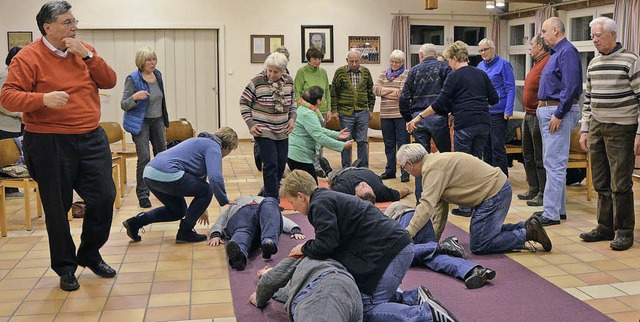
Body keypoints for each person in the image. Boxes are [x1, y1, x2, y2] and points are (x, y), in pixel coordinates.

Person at [0, 0, 117, 292]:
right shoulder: (27, 57)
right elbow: (8, 97)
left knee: (103, 198)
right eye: (67, 22)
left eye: (74, 21)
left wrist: (89, 56)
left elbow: (110, 81)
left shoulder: (84, 50)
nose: (74, 27)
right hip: (48, 141)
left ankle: (89, 252)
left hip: (91, 136)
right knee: (57, 207)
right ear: (48, 27)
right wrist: (42, 100)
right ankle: (65, 267)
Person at [281, 170, 439, 321]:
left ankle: (425, 315)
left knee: (366, 308)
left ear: (301, 196)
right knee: (367, 295)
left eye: (292, 202)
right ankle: (414, 298)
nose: (293, 207)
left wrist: (304, 248)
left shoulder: (318, 204)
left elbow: (327, 244)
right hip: (393, 247)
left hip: (392, 251)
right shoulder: (325, 198)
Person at [397, 144, 552, 255]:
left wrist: (408, 233)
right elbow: (439, 209)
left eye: (403, 167)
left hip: (494, 193)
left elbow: (425, 206)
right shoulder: (432, 165)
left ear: (410, 164)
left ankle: (527, 234)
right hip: (493, 191)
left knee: (480, 244)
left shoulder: (433, 169)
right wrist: (433, 244)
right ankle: (527, 226)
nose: (405, 171)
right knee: (483, 235)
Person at [406, 41, 498, 218]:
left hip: (465, 125)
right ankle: (479, 201)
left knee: (463, 165)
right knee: (476, 162)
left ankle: (465, 207)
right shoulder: (481, 74)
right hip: (484, 124)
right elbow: (494, 99)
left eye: (449, 60)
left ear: (455, 58)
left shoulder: (454, 76)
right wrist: (475, 103)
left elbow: (440, 103)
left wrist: (419, 117)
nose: (448, 64)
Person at [578, 17, 639, 251]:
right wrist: (585, 128)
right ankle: (605, 227)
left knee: (620, 183)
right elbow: (589, 99)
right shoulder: (593, 64)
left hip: (622, 128)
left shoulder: (631, 61)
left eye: (598, 35)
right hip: (597, 126)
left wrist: (639, 133)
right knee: (601, 181)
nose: (594, 39)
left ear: (612, 35)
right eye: (592, 35)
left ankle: (624, 231)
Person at [122, 128, 238, 244]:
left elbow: (197, 180)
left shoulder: (200, 142)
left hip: (149, 174)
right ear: (227, 147)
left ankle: (135, 223)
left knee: (178, 210)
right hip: (168, 173)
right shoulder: (214, 147)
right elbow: (215, 177)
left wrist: (202, 208)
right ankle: (185, 232)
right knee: (208, 190)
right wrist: (223, 199)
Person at [535, 17, 583, 226]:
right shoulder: (557, 53)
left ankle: (551, 213)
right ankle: (558, 209)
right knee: (553, 162)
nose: (542, 36)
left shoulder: (567, 52)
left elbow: (571, 86)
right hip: (551, 109)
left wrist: (559, 114)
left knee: (554, 163)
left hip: (557, 111)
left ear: (555, 30)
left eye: (544, 31)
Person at [384, 202, 496, 289]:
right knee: (431, 258)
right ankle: (474, 271)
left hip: (408, 219)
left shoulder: (380, 217)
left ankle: (442, 246)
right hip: (420, 222)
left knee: (401, 253)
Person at [400, 43, 452, 200]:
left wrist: (409, 119)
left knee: (419, 160)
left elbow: (403, 98)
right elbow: (451, 93)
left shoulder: (414, 70)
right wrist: (451, 113)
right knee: (445, 158)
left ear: (421, 56)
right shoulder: (445, 67)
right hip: (438, 118)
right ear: (435, 55)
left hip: (418, 119)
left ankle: (420, 197)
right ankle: (444, 196)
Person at [240, 52, 296, 199]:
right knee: (270, 165)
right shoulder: (257, 81)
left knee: (281, 165)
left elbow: (293, 103)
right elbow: (244, 103)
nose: (271, 74)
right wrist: (251, 124)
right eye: (269, 70)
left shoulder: (289, 81)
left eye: (276, 72)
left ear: (283, 70)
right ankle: (272, 200)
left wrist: (292, 119)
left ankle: (265, 196)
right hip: (263, 130)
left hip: (282, 129)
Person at [121, 46, 169, 209]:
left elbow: (162, 101)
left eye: (154, 59)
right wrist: (135, 97)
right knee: (144, 157)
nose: (152, 62)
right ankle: (143, 195)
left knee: (162, 156)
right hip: (140, 123)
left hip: (157, 121)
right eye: (149, 59)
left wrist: (165, 123)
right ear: (141, 62)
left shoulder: (158, 75)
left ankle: (165, 190)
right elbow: (124, 104)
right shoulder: (133, 78)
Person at [207, 196, 306, 271]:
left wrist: (294, 228)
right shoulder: (236, 201)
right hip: (242, 216)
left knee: (270, 202)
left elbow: (276, 218)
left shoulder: (265, 201)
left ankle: (268, 242)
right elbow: (223, 218)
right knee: (243, 230)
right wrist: (215, 233)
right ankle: (239, 256)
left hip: (263, 219)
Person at [250, 257, 364, 321]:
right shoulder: (302, 284)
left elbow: (270, 281)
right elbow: (288, 291)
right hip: (352, 293)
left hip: (327, 292)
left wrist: (258, 299)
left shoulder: (301, 255)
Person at [288, 86, 352, 183]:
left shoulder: (303, 108)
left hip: (296, 155)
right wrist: (342, 145)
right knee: (311, 188)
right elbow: (320, 137)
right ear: (319, 101)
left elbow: (317, 129)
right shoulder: (308, 114)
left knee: (303, 188)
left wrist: (337, 135)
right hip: (300, 157)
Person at [517, 34, 550, 207]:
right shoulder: (537, 62)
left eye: (531, 44)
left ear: (540, 46)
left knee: (539, 156)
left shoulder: (548, 61)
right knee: (527, 155)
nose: (529, 47)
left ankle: (543, 193)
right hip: (528, 115)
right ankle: (533, 188)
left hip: (538, 114)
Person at [477, 38, 516, 177]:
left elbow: (511, 88)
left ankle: (502, 180)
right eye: (480, 50)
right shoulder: (480, 66)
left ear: (493, 49)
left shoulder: (504, 64)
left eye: (485, 49)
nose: (483, 53)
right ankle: (488, 178)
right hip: (484, 113)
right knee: (485, 148)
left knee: (497, 147)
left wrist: (508, 110)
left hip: (499, 113)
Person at [330, 50, 375, 169]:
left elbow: (371, 92)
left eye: (357, 61)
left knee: (362, 141)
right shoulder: (340, 72)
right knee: (346, 141)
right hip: (345, 113)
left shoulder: (366, 72)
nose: (354, 64)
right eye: (351, 61)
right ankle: (346, 167)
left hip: (362, 112)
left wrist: (370, 109)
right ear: (347, 61)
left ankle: (362, 167)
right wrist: (334, 110)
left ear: (360, 60)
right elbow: (333, 93)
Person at [293, 47, 333, 177]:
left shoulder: (323, 72)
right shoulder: (302, 72)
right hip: (308, 111)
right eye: (315, 59)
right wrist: (307, 108)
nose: (317, 61)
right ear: (309, 59)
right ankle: (309, 165)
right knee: (308, 141)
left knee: (319, 141)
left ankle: (317, 165)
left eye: (319, 59)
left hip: (321, 110)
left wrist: (328, 109)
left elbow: (327, 91)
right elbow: (297, 92)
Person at [373, 49, 411, 182]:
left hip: (401, 115)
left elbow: (401, 93)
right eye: (392, 61)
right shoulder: (384, 73)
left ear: (402, 62)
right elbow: (375, 89)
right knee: (389, 144)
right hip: (385, 115)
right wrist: (391, 91)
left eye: (397, 62)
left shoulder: (407, 74)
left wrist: (385, 91)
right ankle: (390, 170)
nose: (394, 64)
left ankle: (405, 172)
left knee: (403, 144)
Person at [0, 46, 24, 199]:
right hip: (6, 124)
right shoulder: (5, 76)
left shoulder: (16, 75)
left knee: (15, 156)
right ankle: (8, 189)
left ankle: (13, 188)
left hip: (16, 124)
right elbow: (3, 104)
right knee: (6, 155)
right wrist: (20, 113)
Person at [328, 167, 412, 203]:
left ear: (355, 195)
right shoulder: (380, 191)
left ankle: (328, 170)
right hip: (363, 169)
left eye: (362, 188)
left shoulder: (344, 190)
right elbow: (398, 194)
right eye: (367, 187)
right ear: (375, 194)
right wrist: (407, 190)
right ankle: (356, 164)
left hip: (343, 172)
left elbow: (327, 196)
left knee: (331, 177)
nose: (364, 184)